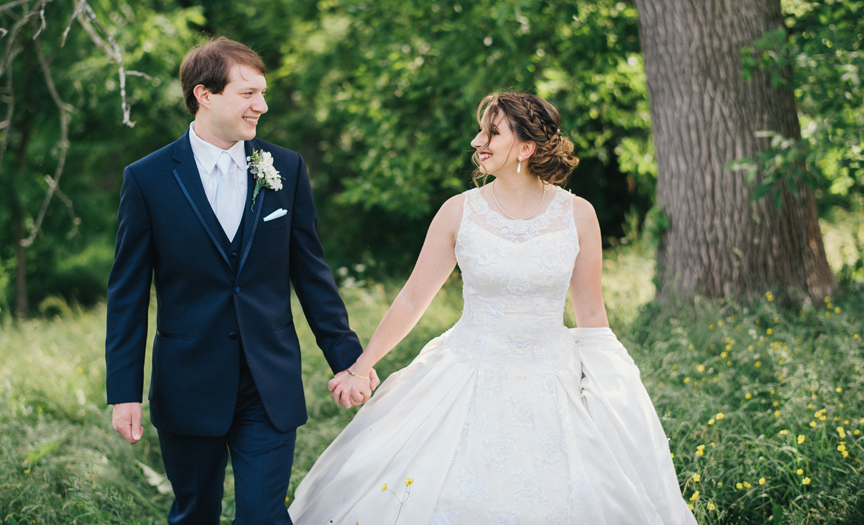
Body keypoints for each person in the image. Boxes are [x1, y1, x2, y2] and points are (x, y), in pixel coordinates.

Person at [288, 92, 697, 524]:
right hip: (466, 369)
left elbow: (591, 315)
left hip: (552, 377)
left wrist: (613, 390)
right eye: (481, 130)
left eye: (491, 132)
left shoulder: (578, 215)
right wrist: (361, 365)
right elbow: (412, 298)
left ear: (526, 148)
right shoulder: (458, 212)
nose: (476, 141)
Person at [105, 37, 377, 525]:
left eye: (263, 93)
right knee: (194, 515)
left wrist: (348, 360)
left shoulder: (285, 168)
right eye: (248, 93)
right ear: (205, 94)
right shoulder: (146, 179)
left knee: (263, 517)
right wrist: (124, 391)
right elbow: (126, 293)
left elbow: (311, 273)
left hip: (267, 381)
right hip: (188, 381)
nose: (262, 106)